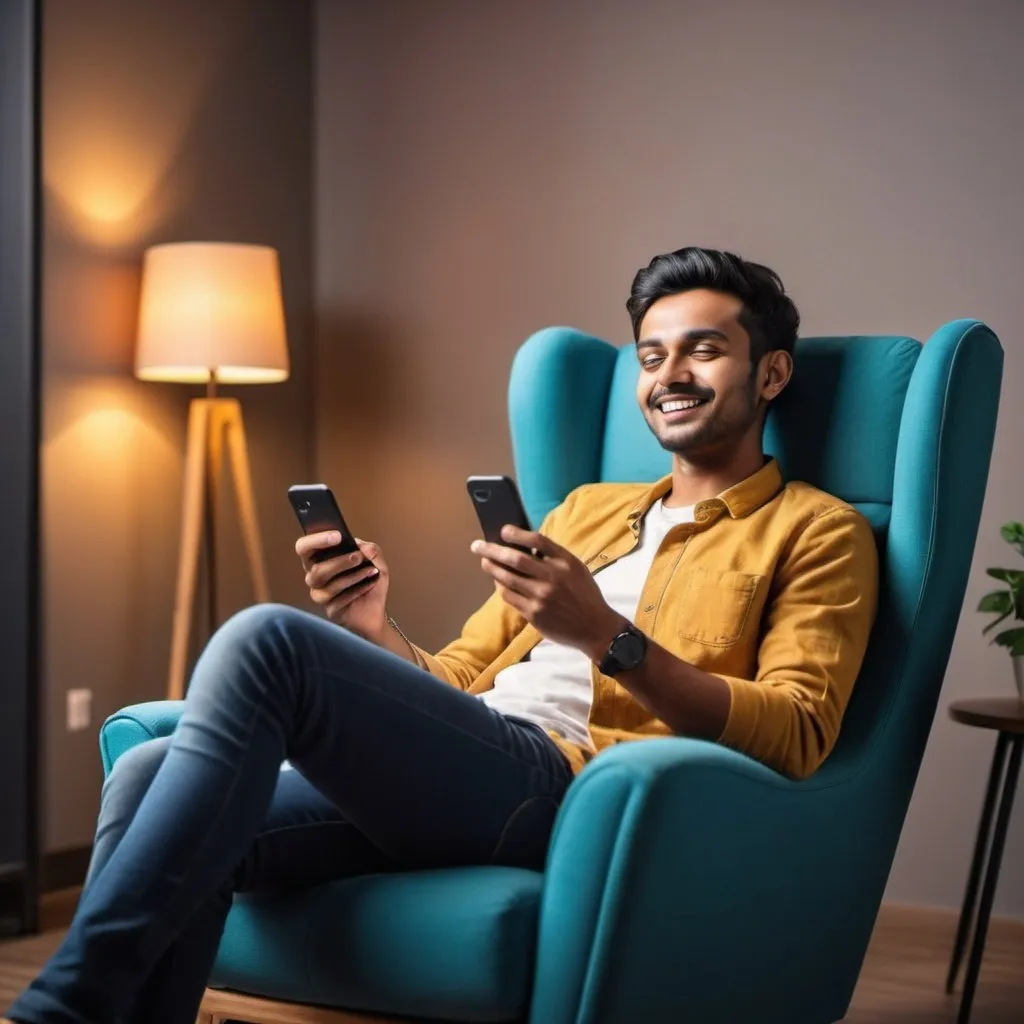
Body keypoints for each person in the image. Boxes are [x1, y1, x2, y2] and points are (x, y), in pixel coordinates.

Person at [3, 246, 878, 1024]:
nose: (669, 373)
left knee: (268, 636)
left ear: (770, 374)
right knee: (152, 768)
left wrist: (606, 635)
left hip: (566, 787)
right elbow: (459, 677)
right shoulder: (587, 512)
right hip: (472, 765)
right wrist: (372, 629)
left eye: (704, 349)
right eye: (652, 356)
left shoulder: (819, 531)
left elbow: (798, 732)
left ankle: (67, 1007)